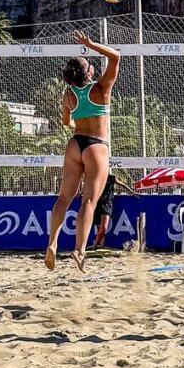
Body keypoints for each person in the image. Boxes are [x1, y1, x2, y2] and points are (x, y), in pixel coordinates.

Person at [45, 31, 120, 271]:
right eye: (89, 64)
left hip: (75, 144)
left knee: (63, 199)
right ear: (88, 73)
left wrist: (81, 120)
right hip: (96, 146)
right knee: (88, 201)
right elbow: (116, 57)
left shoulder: (68, 94)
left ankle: (53, 243)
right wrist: (90, 44)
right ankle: (79, 250)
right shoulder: (101, 89)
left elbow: (66, 122)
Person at [92, 172, 119, 249]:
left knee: (104, 227)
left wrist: (131, 192)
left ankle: (95, 244)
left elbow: (122, 184)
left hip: (107, 203)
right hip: (98, 203)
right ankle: (101, 245)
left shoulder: (111, 178)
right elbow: (90, 187)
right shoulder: (97, 177)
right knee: (99, 227)